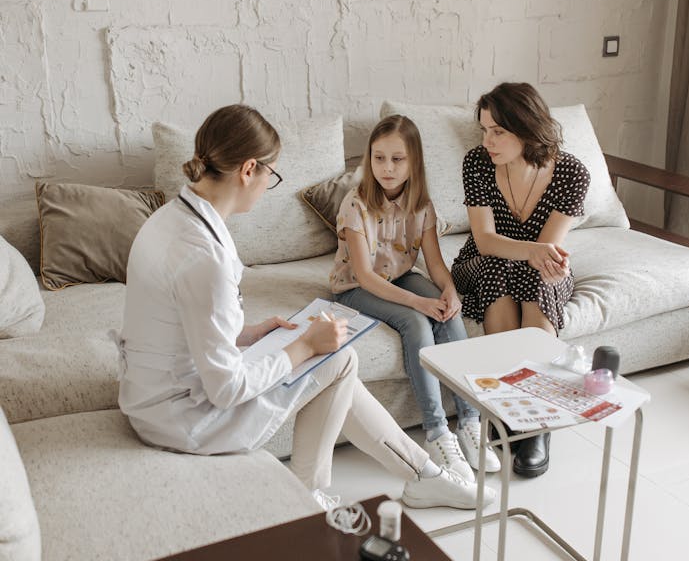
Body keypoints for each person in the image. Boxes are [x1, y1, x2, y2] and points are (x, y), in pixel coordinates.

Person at [116, 104, 495, 513]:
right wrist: (304, 347)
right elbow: (226, 389)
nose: (267, 185)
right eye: (270, 174)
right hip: (186, 419)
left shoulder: (169, 220)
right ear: (248, 170)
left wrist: (251, 334)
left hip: (153, 396)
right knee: (338, 358)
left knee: (334, 358)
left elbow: (178, 328)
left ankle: (425, 476)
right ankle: (312, 493)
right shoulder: (204, 257)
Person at [330, 114, 501, 480]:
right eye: (379, 158)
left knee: (448, 315)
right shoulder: (355, 205)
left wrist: (448, 291)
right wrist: (420, 303)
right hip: (356, 288)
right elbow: (364, 276)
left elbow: (436, 265)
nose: (387, 168)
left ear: (414, 162)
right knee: (416, 322)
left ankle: (469, 421)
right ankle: (437, 431)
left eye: (397, 159)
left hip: (403, 274)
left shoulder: (421, 204)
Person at [451, 82, 590, 478]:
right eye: (484, 130)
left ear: (527, 129)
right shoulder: (477, 163)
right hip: (479, 262)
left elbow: (548, 250)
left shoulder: (570, 172)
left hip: (541, 265)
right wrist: (535, 253)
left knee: (539, 276)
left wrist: (545, 260)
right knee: (499, 263)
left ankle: (537, 418)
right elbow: (485, 241)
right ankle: (509, 405)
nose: (487, 141)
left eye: (498, 131)